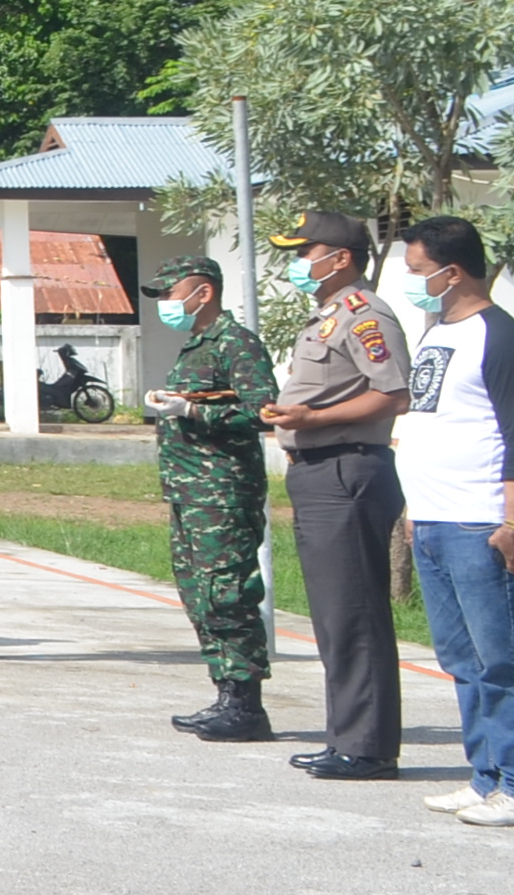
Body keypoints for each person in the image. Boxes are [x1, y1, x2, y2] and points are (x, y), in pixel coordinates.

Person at [389, 216, 514, 823]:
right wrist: (418, 512)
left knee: (505, 661)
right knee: (462, 660)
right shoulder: (439, 332)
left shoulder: (501, 338)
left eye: (419, 272)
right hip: (436, 521)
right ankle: (484, 774)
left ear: (453, 271)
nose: (414, 282)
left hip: (481, 522)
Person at [265, 212, 412, 782]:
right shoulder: (327, 317)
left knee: (353, 614)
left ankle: (368, 747)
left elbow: (392, 393)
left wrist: (312, 416)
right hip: (319, 470)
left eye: (307, 252)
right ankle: (349, 736)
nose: (299, 263)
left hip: (347, 470)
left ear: (341, 257)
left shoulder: (364, 314)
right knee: (333, 614)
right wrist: (291, 419)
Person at [143, 255, 279, 742]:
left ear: (203, 293)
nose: (165, 303)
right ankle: (225, 694)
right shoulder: (198, 346)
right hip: (190, 492)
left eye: (171, 293)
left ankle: (247, 704)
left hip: (222, 493)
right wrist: (175, 405)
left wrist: (194, 413)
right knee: (200, 595)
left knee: (228, 594)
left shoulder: (236, 342)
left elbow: (263, 411)